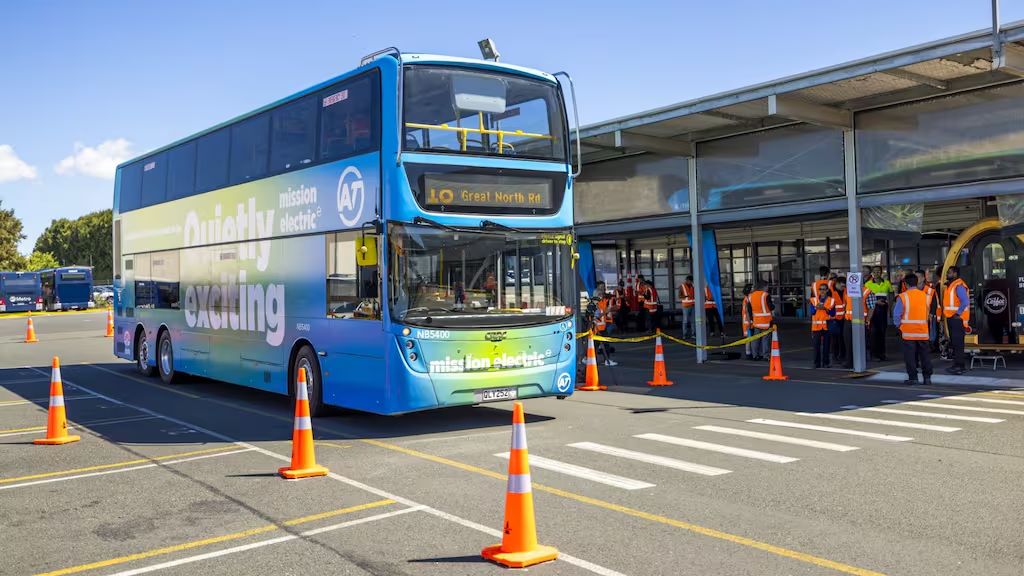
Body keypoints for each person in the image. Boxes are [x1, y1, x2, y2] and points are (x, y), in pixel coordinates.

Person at [893, 273, 932, 385]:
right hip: (923, 331)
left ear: (905, 284)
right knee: (925, 356)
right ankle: (927, 378)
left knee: (910, 357)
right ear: (916, 282)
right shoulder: (925, 296)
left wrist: (898, 325)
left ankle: (913, 378)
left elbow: (897, 314)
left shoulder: (903, 296)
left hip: (908, 332)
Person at [943, 266, 971, 375]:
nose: (947, 275)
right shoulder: (951, 286)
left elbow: (965, 301)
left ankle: (960, 366)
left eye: (949, 273)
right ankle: (957, 365)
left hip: (957, 319)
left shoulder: (958, 285)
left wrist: (958, 313)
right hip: (953, 318)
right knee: (955, 343)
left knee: (958, 344)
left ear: (955, 273)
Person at [842, 275, 873, 369]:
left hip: (860, 321)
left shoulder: (867, 291)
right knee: (848, 342)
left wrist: (868, 320)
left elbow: (871, 307)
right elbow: (846, 304)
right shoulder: (847, 290)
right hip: (848, 320)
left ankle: (860, 363)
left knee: (860, 343)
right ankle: (849, 362)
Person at [864, 266, 893, 361]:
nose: (876, 273)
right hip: (873, 310)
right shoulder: (868, 284)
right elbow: (865, 298)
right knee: (873, 333)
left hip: (883, 310)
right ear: (872, 273)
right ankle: (874, 355)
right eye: (875, 271)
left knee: (882, 332)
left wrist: (890, 308)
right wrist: (876, 302)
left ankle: (882, 354)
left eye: (878, 271)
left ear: (881, 272)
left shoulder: (887, 283)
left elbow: (891, 295)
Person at [746, 279, 775, 361]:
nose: (768, 288)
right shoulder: (765, 295)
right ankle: (766, 356)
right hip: (766, 321)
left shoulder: (751, 296)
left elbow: (749, 309)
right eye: (767, 286)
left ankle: (755, 355)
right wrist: (773, 304)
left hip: (756, 322)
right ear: (764, 287)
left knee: (755, 339)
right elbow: (771, 307)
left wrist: (751, 319)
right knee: (765, 340)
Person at [810, 282, 836, 368]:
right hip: (816, 327)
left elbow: (833, 314)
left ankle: (826, 363)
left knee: (826, 346)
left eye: (824, 289)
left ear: (827, 290)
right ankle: (816, 363)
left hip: (827, 325)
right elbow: (812, 312)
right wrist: (816, 307)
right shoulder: (814, 300)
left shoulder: (831, 300)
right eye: (820, 289)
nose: (822, 291)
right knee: (816, 346)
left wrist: (825, 308)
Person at [594, 283, 619, 366]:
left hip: (601, 326)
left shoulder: (603, 301)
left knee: (596, 344)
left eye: (603, 288)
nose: (603, 290)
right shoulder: (596, 303)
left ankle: (587, 358)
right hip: (598, 327)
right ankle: (606, 360)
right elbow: (598, 315)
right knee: (605, 344)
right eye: (601, 288)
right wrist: (606, 311)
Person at [831, 277, 847, 365]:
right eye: (842, 285)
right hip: (834, 319)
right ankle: (835, 356)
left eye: (844, 286)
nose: (843, 287)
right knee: (835, 339)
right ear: (837, 283)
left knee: (843, 338)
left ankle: (842, 356)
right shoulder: (831, 292)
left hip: (843, 318)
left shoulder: (845, 291)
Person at [678, 275, 696, 340]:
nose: (691, 282)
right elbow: (679, 296)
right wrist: (686, 296)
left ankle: (693, 334)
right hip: (685, 306)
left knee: (693, 321)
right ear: (688, 280)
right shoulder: (682, 286)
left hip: (693, 305)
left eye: (691, 281)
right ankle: (684, 334)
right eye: (690, 281)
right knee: (685, 320)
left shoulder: (693, 286)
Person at [741, 284, 753, 360]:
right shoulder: (747, 299)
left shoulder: (747, 298)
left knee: (749, 338)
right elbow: (747, 312)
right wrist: (749, 322)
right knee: (749, 339)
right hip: (748, 322)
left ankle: (749, 353)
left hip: (747, 321)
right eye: (752, 288)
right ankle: (748, 353)